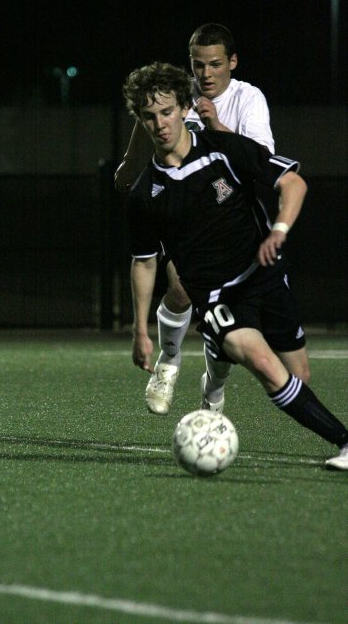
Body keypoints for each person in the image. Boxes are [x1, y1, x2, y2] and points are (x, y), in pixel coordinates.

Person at [122, 60, 348, 470]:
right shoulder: (144, 194)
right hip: (216, 296)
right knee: (261, 363)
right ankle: (346, 441)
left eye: (168, 111)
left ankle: (215, 357)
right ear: (140, 120)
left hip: (263, 275)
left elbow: (293, 183)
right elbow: (144, 262)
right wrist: (140, 329)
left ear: (186, 108)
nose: (160, 124)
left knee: (299, 374)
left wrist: (278, 230)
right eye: (149, 116)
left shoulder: (225, 149)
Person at [116, 24, 279, 416]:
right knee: (182, 286)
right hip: (186, 225)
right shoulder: (175, 97)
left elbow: (262, 163)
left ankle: (214, 384)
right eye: (197, 64)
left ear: (232, 63)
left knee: (228, 336)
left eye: (215, 64)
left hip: (235, 227)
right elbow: (132, 169)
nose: (205, 74)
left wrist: (215, 126)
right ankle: (168, 363)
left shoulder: (248, 99)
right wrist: (135, 154)